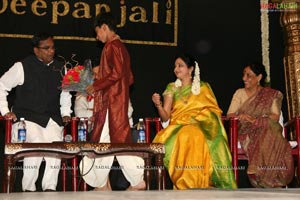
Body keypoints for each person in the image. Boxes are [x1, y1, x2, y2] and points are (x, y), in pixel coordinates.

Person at [79, 12, 145, 191]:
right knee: (110, 140)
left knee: (110, 141)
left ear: (104, 27)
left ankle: (134, 180)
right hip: (117, 101)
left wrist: (97, 85)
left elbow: (116, 74)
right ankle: (104, 183)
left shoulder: (111, 47)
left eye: (97, 32)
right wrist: (116, 88)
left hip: (111, 103)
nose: (97, 36)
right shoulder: (121, 47)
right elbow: (129, 78)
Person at [152, 53, 237, 189]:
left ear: (191, 69)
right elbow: (165, 117)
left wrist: (199, 119)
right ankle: (187, 184)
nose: (176, 69)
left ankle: (205, 183)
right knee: (188, 135)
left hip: (202, 125)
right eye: (175, 66)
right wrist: (158, 105)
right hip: (178, 126)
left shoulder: (203, 87)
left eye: (180, 66)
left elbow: (213, 111)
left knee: (201, 136)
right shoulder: (171, 88)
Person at [0, 33, 72, 192]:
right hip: (27, 118)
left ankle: (50, 189)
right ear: (36, 50)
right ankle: (28, 189)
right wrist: (5, 111)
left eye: (53, 47)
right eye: (46, 48)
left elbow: (65, 95)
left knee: (56, 146)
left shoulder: (61, 67)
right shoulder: (22, 66)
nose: (51, 51)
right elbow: (1, 85)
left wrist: (66, 112)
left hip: (52, 118)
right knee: (36, 144)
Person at [227, 62, 294, 188]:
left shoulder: (271, 94)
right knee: (268, 129)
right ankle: (266, 175)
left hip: (265, 126)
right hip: (245, 129)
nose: (244, 78)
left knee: (269, 127)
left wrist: (258, 119)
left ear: (259, 77)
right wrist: (241, 116)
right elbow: (230, 115)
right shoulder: (239, 93)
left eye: (248, 75)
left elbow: (275, 115)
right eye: (243, 75)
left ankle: (259, 171)